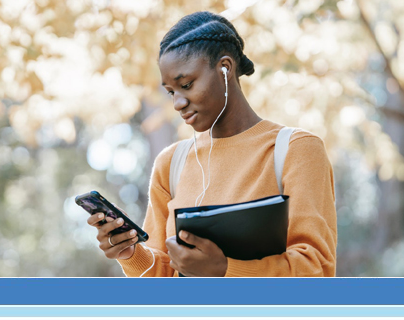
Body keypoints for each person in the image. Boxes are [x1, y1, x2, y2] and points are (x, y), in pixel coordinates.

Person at [87, 11, 337, 277]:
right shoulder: (171, 164)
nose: (177, 103)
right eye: (171, 91)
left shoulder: (295, 150)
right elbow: (163, 280)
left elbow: (316, 270)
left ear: (225, 68)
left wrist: (225, 269)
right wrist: (131, 253)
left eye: (186, 84)